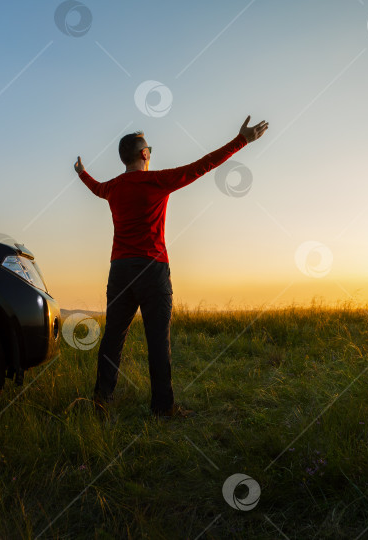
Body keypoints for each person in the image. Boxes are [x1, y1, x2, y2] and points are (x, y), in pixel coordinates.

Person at [74, 115, 269, 419]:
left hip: (121, 270)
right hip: (152, 270)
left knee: (113, 337)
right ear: (144, 154)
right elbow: (202, 166)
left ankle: (102, 400)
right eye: (148, 148)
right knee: (157, 341)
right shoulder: (157, 180)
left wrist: (81, 172)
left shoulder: (112, 187)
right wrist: (242, 140)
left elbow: (95, 187)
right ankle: (163, 409)